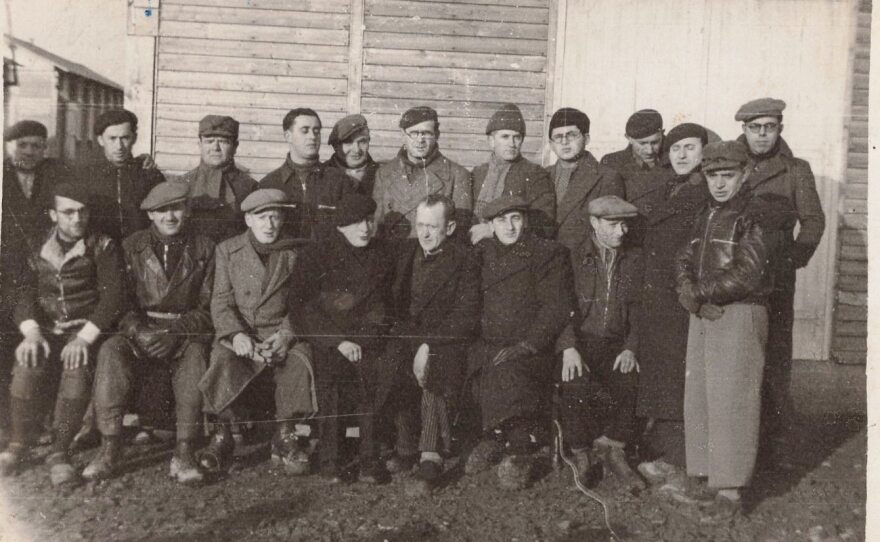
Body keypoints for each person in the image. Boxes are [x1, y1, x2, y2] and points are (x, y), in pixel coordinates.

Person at [674, 140, 780, 522]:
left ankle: (731, 493)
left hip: (739, 313)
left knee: (733, 402)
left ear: (745, 174)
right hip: (705, 312)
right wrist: (689, 293)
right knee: (701, 396)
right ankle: (708, 481)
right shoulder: (707, 212)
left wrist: (697, 294)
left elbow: (748, 273)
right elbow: (685, 257)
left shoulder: (755, 214)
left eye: (727, 175)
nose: (719, 183)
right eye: (713, 175)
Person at [82, 182, 214, 484]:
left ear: (188, 210)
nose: (170, 216)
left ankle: (184, 452)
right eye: (162, 210)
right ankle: (110, 448)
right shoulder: (131, 246)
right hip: (139, 332)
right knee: (110, 350)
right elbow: (119, 300)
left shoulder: (206, 248)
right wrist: (138, 330)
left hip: (184, 334)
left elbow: (209, 307)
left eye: (177, 208)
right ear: (151, 214)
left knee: (195, 358)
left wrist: (176, 332)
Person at [0, 183, 126, 486]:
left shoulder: (103, 245)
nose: (77, 218)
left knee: (76, 367)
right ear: (53, 214)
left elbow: (114, 296)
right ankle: (18, 444)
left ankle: (59, 451)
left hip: (84, 330)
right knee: (28, 362)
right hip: (45, 329)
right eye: (68, 212)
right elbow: (22, 292)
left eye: (82, 211)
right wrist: (30, 332)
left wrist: (84, 337)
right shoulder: (36, 244)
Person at [197, 189, 317, 474]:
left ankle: (285, 434)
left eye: (275, 216)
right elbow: (221, 301)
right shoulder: (228, 250)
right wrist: (236, 335)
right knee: (222, 360)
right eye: (262, 217)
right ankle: (222, 434)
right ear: (248, 220)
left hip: (281, 334)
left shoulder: (294, 252)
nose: (270, 225)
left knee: (299, 362)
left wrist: (287, 335)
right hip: (242, 335)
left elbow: (304, 304)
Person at [734, 98, 825, 460]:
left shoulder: (795, 170)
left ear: (779, 129)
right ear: (743, 129)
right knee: (737, 352)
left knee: (774, 355)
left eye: (768, 128)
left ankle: (773, 442)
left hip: (775, 277)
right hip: (734, 275)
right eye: (754, 128)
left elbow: (814, 220)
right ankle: (735, 437)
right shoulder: (727, 162)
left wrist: (792, 260)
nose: (761, 135)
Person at [464, 196, 573, 490]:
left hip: (530, 347)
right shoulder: (482, 253)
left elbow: (556, 307)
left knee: (510, 370)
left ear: (526, 221)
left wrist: (528, 345)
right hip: (487, 343)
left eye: (515, 218)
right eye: (501, 221)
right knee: (474, 369)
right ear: (490, 226)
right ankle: (495, 439)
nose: (509, 227)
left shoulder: (546, 253)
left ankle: (520, 450)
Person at [290, 194, 396, 483]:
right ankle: (330, 461)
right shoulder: (316, 255)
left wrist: (361, 341)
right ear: (340, 226)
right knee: (331, 385)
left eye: (369, 221)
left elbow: (382, 306)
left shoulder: (381, 256)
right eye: (356, 222)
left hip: (366, 341)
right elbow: (303, 308)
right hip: (328, 340)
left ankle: (369, 459)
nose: (365, 228)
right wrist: (337, 341)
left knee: (370, 385)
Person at [381, 194, 480, 493]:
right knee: (389, 360)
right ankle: (405, 443)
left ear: (449, 228)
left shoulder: (465, 259)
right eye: (420, 225)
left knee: (434, 367)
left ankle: (430, 454)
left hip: (447, 340)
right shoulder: (405, 252)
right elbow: (391, 305)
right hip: (407, 335)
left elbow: (467, 317)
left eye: (432, 227)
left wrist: (427, 344)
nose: (424, 233)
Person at [633, 123, 711, 491]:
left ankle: (679, 465)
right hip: (656, 300)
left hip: (678, 300)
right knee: (661, 376)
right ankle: (663, 456)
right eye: (676, 147)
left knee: (678, 380)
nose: (681, 154)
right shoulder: (667, 188)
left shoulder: (705, 194)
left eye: (690, 147)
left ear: (704, 152)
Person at [556, 195, 645, 492]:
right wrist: (568, 346)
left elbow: (638, 310)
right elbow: (558, 306)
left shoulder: (634, 258)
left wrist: (631, 346)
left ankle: (613, 448)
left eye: (625, 224)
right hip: (579, 344)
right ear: (594, 223)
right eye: (614, 224)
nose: (622, 231)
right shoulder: (571, 256)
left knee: (628, 378)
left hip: (616, 344)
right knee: (574, 381)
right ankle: (580, 452)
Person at [1, 121, 72, 445]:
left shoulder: (55, 173)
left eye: (37, 146)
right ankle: (8, 423)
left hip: (39, 271)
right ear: (8, 145)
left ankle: (40, 420)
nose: (29, 152)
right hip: (4, 271)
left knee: (42, 339)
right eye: (22, 145)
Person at [372, 106, 473, 239]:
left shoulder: (457, 175)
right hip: (392, 255)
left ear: (437, 135)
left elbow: (460, 231)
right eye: (413, 133)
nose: (420, 140)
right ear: (403, 134)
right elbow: (376, 227)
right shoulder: (384, 173)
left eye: (426, 133)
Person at [259, 108, 355, 242]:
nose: (312, 136)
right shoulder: (269, 184)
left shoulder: (339, 181)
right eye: (304, 131)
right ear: (288, 136)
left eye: (316, 131)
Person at [471, 104, 555, 243]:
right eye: (505, 137)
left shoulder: (535, 174)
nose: (512, 143)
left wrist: (492, 229)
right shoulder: (478, 173)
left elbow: (545, 222)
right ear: (491, 141)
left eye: (517, 137)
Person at [545, 108, 625, 252]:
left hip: (582, 264)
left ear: (586, 138)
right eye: (558, 137)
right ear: (551, 144)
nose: (564, 142)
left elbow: (609, 234)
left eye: (571, 135)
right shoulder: (542, 175)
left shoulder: (606, 177)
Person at [78, 109, 166, 240]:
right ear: (101, 140)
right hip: (100, 252)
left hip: (140, 252)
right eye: (112, 138)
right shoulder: (85, 176)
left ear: (134, 138)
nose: (119, 146)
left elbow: (163, 216)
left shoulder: (150, 175)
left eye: (125, 138)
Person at [178, 115, 258, 242]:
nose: (215, 148)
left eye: (223, 141)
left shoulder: (250, 187)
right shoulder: (182, 184)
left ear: (235, 146)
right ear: (200, 145)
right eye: (209, 141)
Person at [324, 114, 380, 197]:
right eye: (348, 142)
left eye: (362, 142)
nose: (356, 150)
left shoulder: (382, 175)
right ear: (336, 146)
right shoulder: (320, 175)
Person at [601, 108, 665, 175]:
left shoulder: (674, 161)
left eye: (655, 142)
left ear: (662, 134)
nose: (649, 151)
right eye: (642, 143)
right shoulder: (611, 164)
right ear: (629, 138)